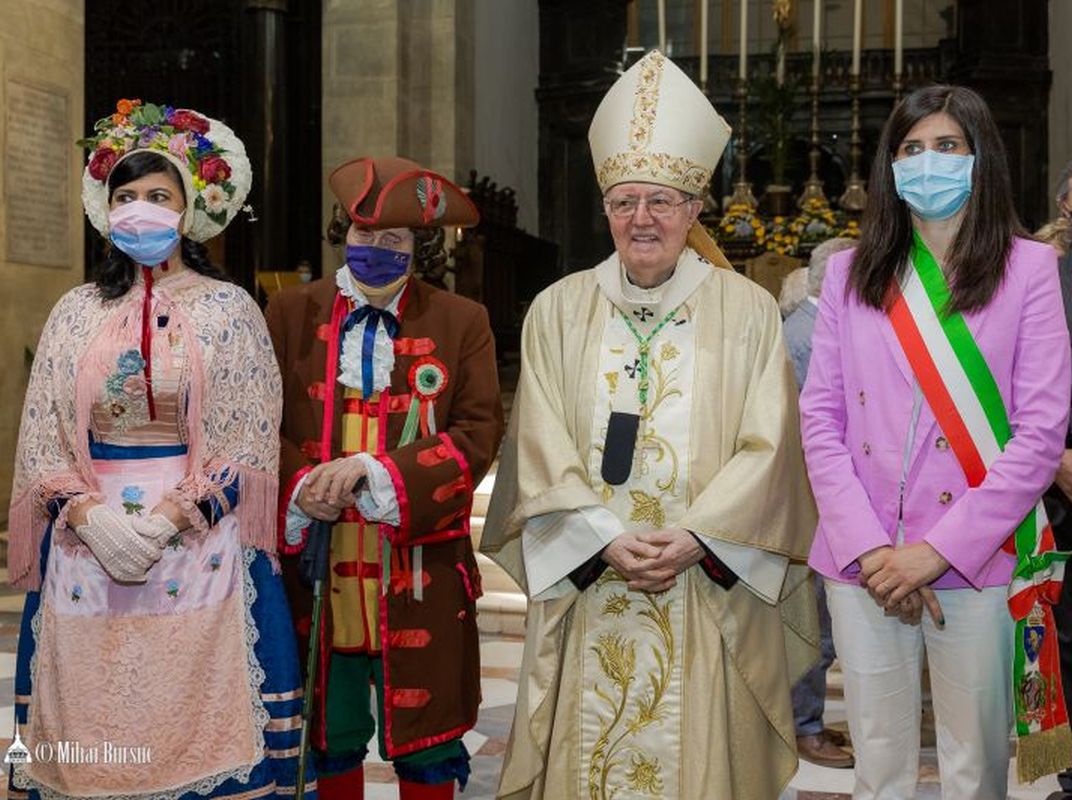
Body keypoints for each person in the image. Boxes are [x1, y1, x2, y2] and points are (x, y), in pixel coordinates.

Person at [481, 50, 818, 799]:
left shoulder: (749, 311)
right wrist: (601, 536)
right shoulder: (559, 310)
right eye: (625, 200)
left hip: (704, 588)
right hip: (594, 584)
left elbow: (774, 449)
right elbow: (536, 445)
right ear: (604, 208)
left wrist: (699, 538)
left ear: (697, 208)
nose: (642, 219)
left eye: (662, 200)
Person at [7, 99, 309, 798]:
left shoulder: (230, 309)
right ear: (106, 209)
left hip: (197, 540)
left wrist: (168, 520)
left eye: (158, 197)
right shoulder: (75, 311)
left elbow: (246, 439)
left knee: (195, 724)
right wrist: (89, 517)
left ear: (189, 211)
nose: (140, 210)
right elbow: (45, 432)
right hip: (87, 545)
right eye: (127, 196)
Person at [802, 84, 1072, 799]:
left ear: (982, 159)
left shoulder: (1030, 272)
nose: (929, 162)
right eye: (911, 148)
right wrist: (868, 546)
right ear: (890, 166)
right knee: (879, 763)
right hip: (865, 564)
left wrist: (937, 551)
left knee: (973, 767)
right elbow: (820, 419)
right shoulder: (848, 274)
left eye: (948, 146)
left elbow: (1041, 434)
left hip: (974, 559)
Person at [265, 156, 504, 800]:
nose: (376, 250)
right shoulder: (289, 312)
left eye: (394, 240)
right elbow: (256, 426)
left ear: (418, 247)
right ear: (344, 233)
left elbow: (479, 432)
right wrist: (303, 485)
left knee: (429, 741)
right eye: (364, 235)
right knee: (329, 734)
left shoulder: (461, 321)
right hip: (319, 562)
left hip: (416, 565)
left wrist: (377, 472)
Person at [783, 237, 856, 769]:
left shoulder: (802, 328)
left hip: (811, 498)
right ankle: (801, 727)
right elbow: (817, 430)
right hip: (810, 500)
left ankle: (803, 720)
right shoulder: (809, 336)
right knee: (812, 625)